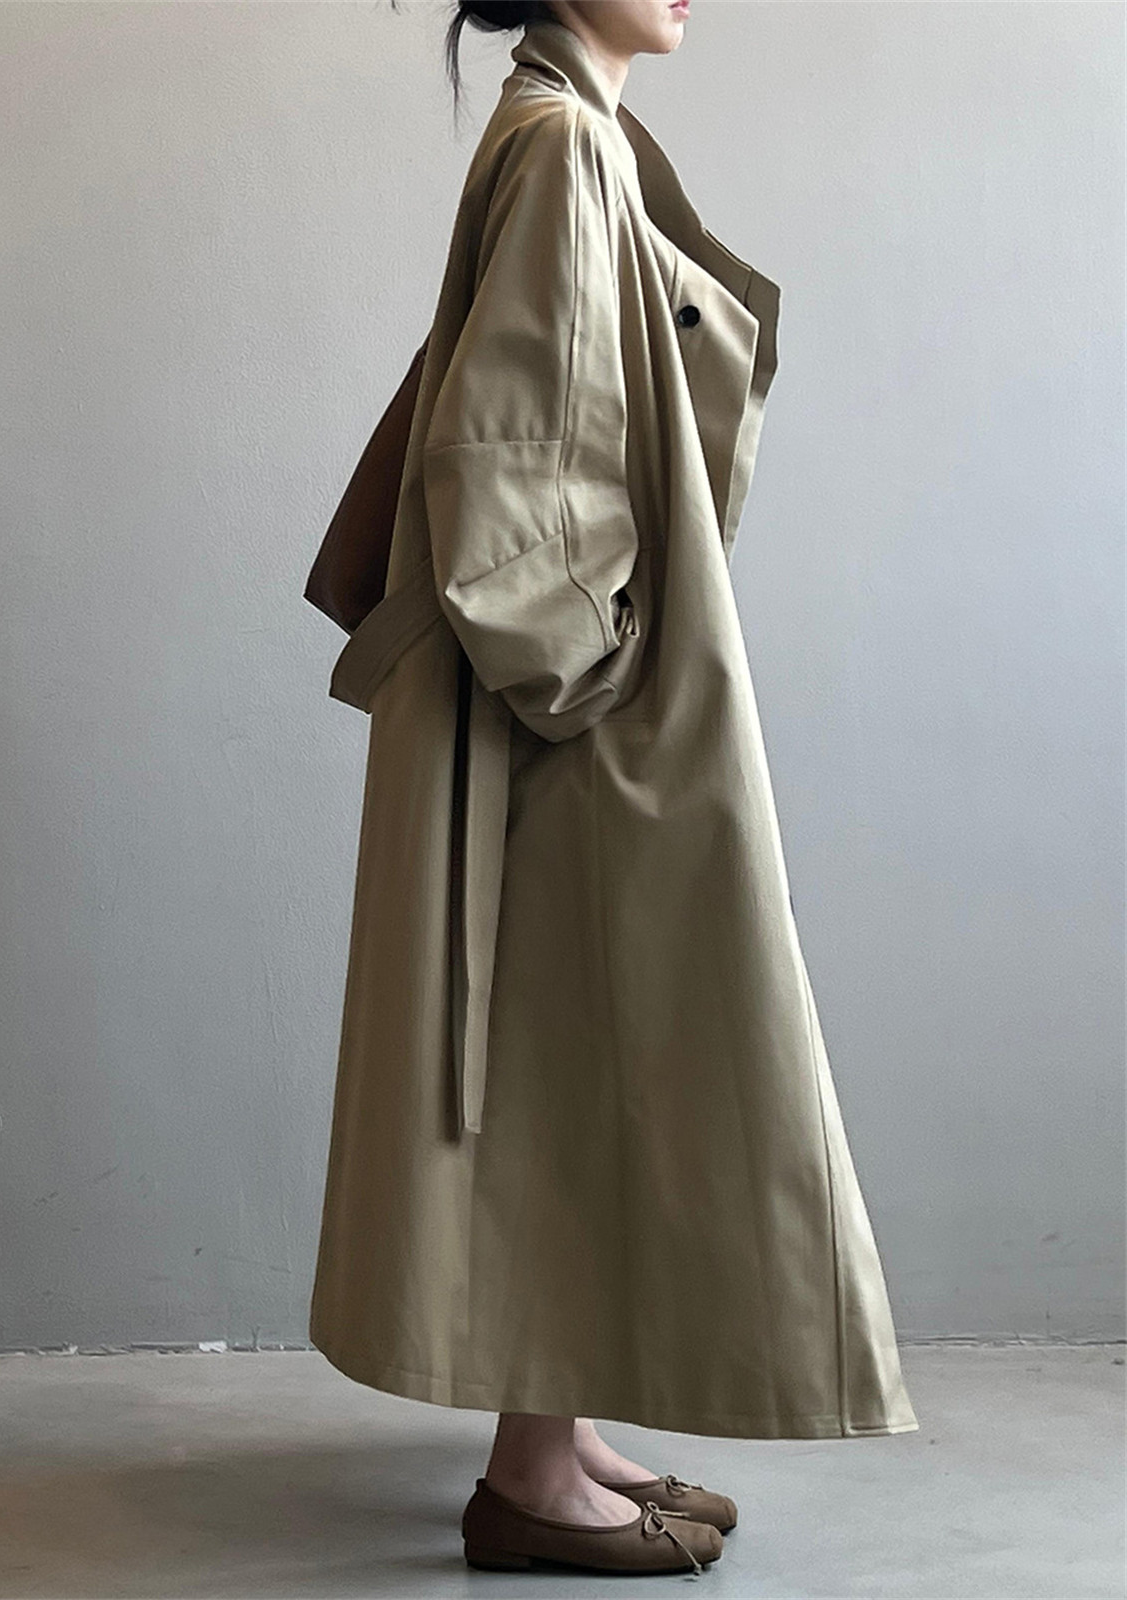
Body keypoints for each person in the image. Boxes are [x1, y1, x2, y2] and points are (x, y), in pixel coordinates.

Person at [309, 0, 919, 1576]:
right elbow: (516, 459)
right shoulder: (563, 143)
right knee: (568, 1051)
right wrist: (601, 668)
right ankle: (530, 1482)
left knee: (558, 1049)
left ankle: (555, 1435)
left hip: (559, 704)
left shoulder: (560, 127)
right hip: (568, 717)